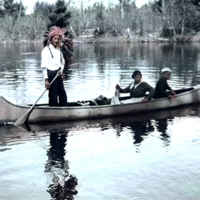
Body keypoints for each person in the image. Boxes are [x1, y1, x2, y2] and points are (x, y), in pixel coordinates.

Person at [41, 26, 73, 106]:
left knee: (62, 95)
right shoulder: (46, 50)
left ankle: (64, 109)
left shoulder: (59, 50)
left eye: (58, 39)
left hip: (58, 74)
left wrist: (61, 72)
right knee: (53, 95)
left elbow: (62, 63)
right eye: (54, 39)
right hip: (51, 74)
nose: (56, 41)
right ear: (51, 39)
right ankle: (53, 112)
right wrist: (46, 80)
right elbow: (44, 66)